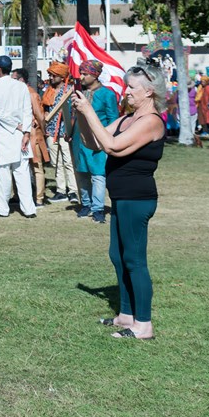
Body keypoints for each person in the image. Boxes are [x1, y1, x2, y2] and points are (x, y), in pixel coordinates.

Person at [73, 65, 167, 340]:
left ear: (148, 91)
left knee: (135, 260)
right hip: (121, 198)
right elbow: (94, 143)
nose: (126, 92)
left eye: (131, 88)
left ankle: (144, 325)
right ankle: (126, 315)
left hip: (137, 199)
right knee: (117, 256)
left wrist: (90, 111)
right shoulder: (128, 118)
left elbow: (113, 147)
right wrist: (81, 114)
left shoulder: (151, 121)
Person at [0, 56, 38, 218]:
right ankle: (28, 209)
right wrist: (26, 131)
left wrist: (20, 128)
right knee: (22, 172)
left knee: (4, 174)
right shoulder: (21, 86)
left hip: (5, 134)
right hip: (19, 133)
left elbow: (0, 113)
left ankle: (2, 209)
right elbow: (27, 110)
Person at [71, 60, 119, 223]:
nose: (81, 77)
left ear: (95, 75)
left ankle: (98, 208)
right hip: (79, 138)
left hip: (98, 140)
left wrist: (110, 138)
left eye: (85, 74)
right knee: (81, 172)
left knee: (98, 174)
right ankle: (86, 204)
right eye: (81, 73)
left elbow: (113, 119)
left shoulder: (107, 94)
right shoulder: (79, 93)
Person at [41, 61, 78, 203]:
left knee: (68, 162)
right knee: (56, 163)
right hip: (51, 132)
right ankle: (61, 190)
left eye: (53, 75)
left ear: (62, 77)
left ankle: (73, 190)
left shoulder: (70, 90)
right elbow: (45, 108)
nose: (50, 78)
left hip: (66, 132)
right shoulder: (48, 91)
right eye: (50, 75)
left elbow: (74, 112)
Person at [14, 68, 50, 205]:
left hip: (33, 134)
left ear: (21, 80)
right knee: (17, 165)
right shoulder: (16, 93)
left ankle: (39, 198)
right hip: (18, 134)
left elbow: (40, 116)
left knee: (36, 167)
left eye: (14, 78)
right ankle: (17, 196)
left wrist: (41, 129)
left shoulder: (32, 94)